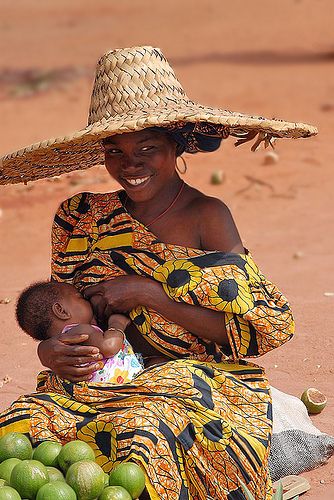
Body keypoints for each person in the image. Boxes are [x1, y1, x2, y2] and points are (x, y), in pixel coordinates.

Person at [0, 46, 317, 499]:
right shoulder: (79, 218)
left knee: (144, 439)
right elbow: (64, 315)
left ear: (178, 144)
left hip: (192, 379)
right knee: (24, 426)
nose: (130, 164)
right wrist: (50, 353)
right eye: (115, 151)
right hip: (98, 378)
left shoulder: (209, 216)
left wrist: (151, 294)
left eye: (147, 147)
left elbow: (248, 333)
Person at [15, 280, 144, 384]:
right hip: (111, 389)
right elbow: (109, 346)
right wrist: (117, 323)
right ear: (61, 311)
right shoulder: (80, 331)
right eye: (80, 298)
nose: (87, 301)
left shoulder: (63, 341)